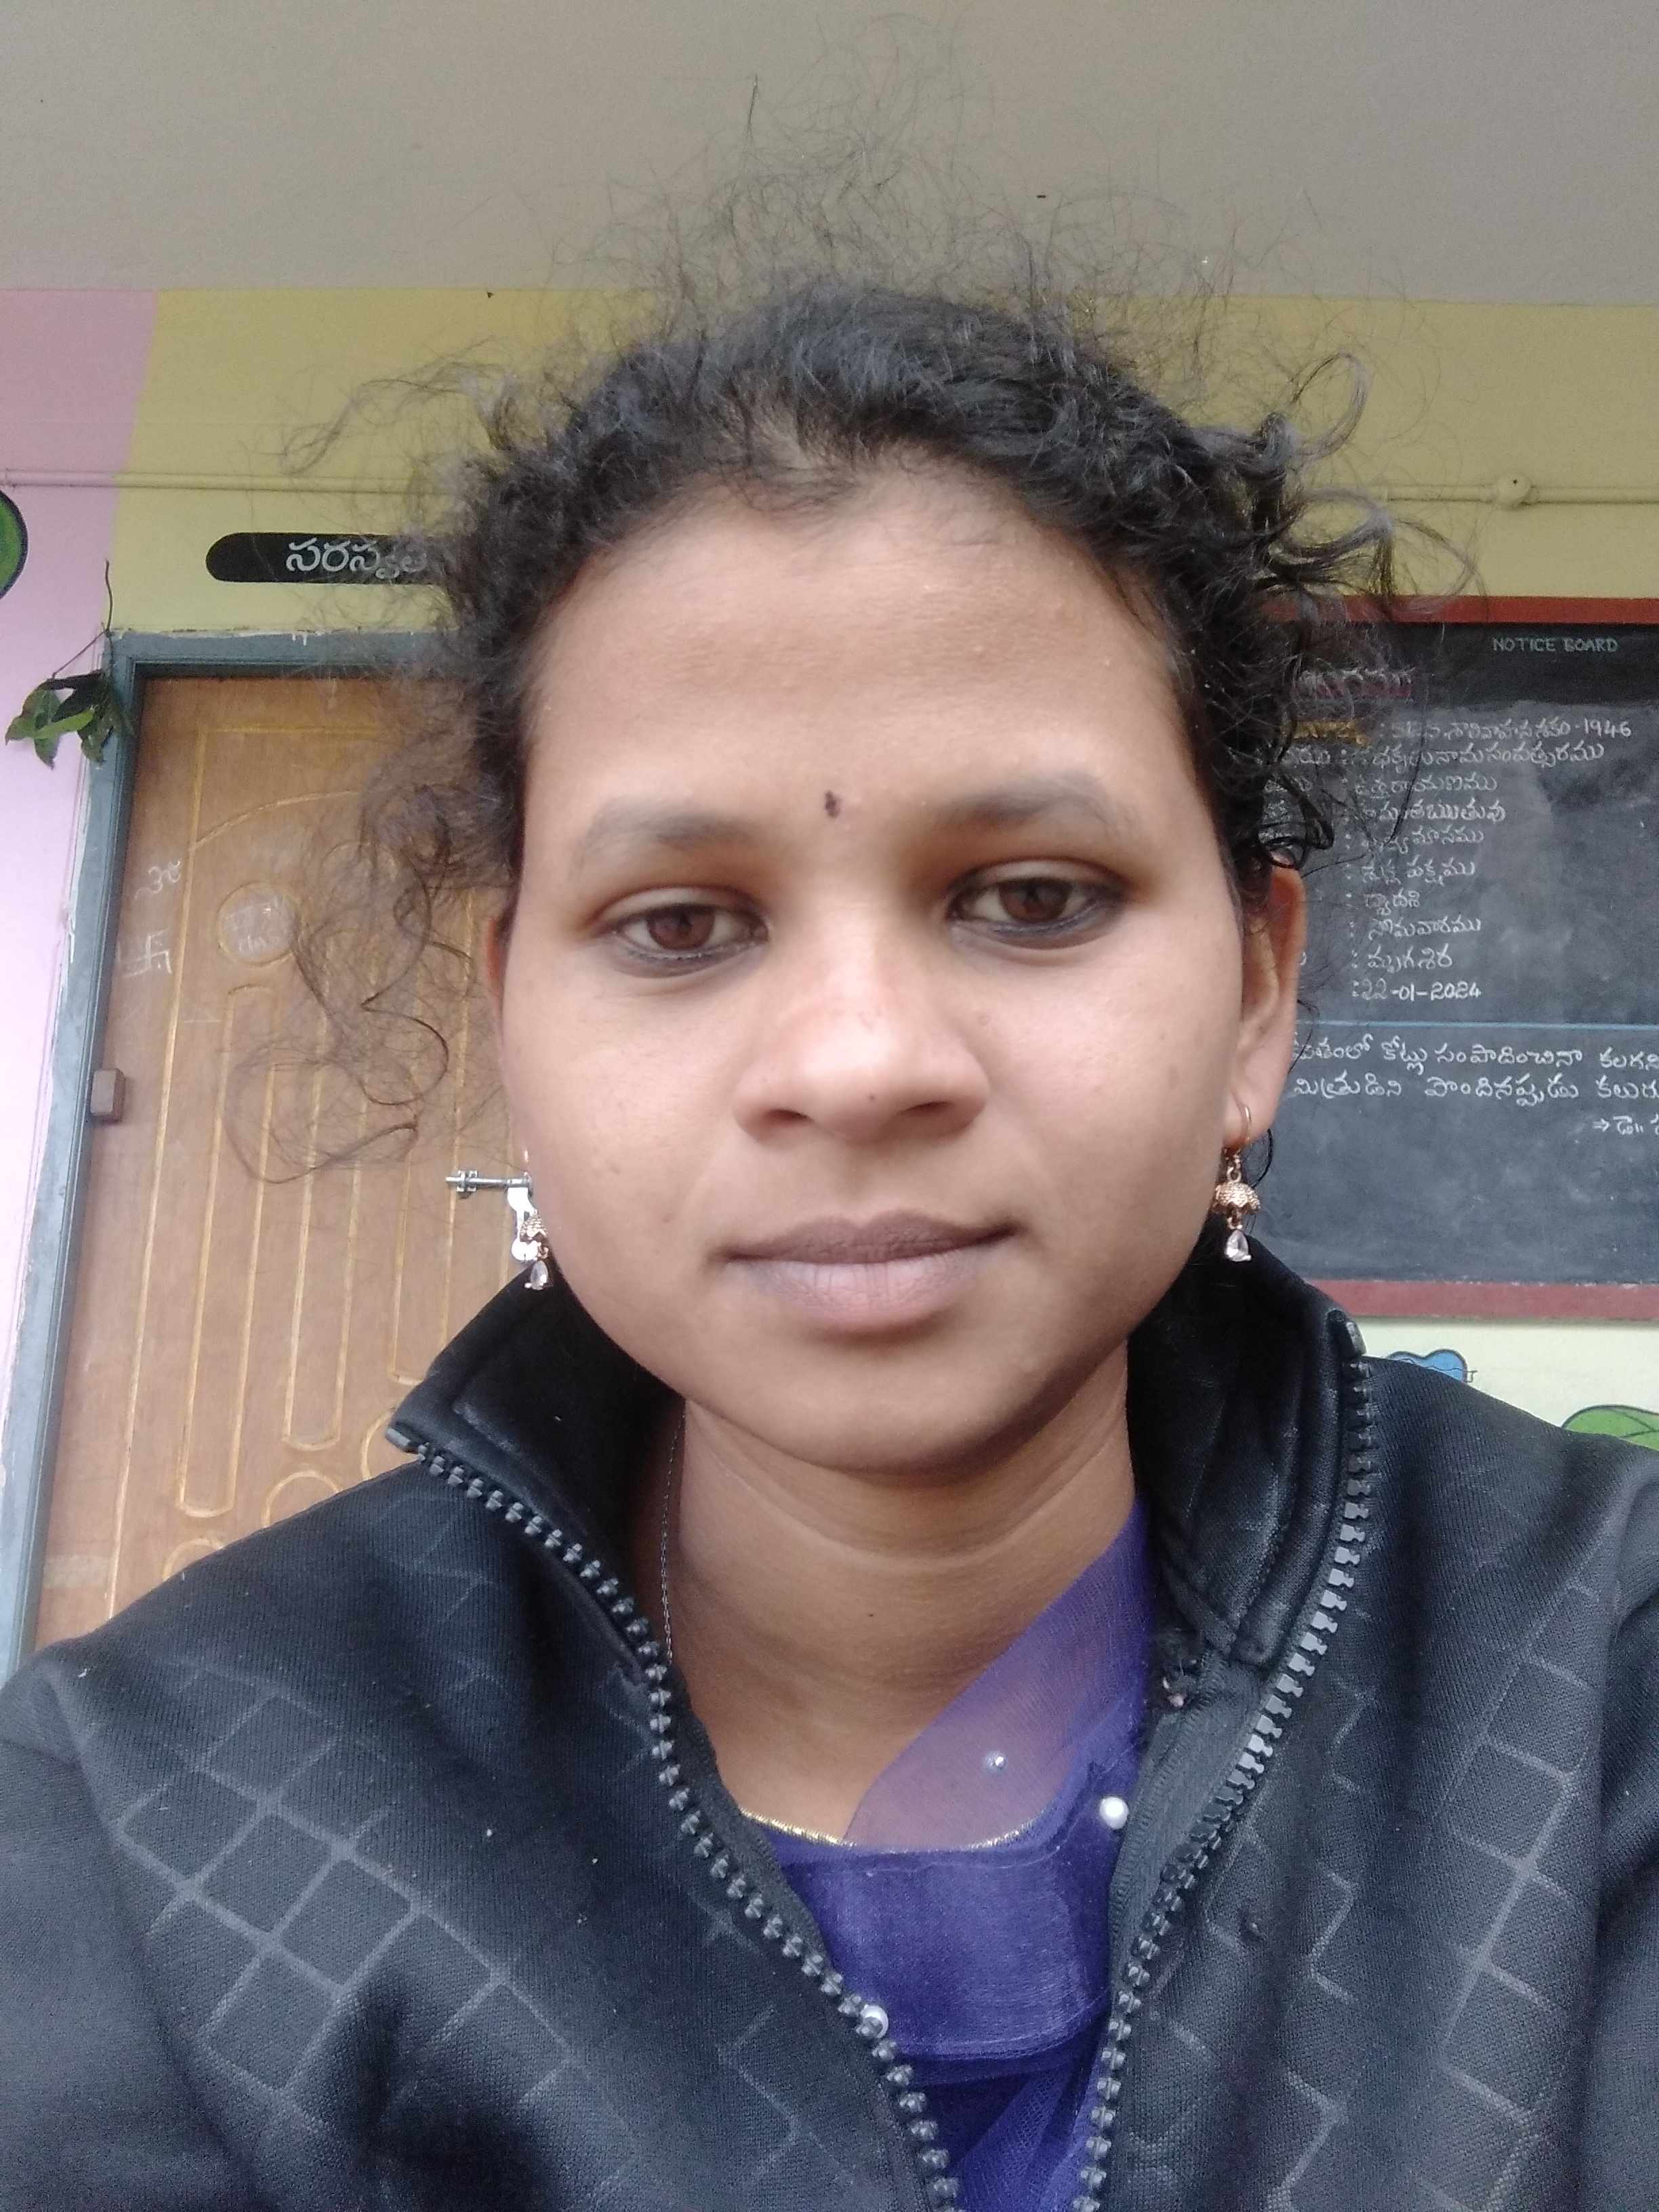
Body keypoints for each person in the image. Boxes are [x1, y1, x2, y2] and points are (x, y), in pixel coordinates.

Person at [1, 277, 1655, 2212]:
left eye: (1031, 898)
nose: (859, 1064)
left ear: (1256, 996)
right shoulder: (155, 1824)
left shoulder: (1603, 1682)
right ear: (514, 1016)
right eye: (681, 926)